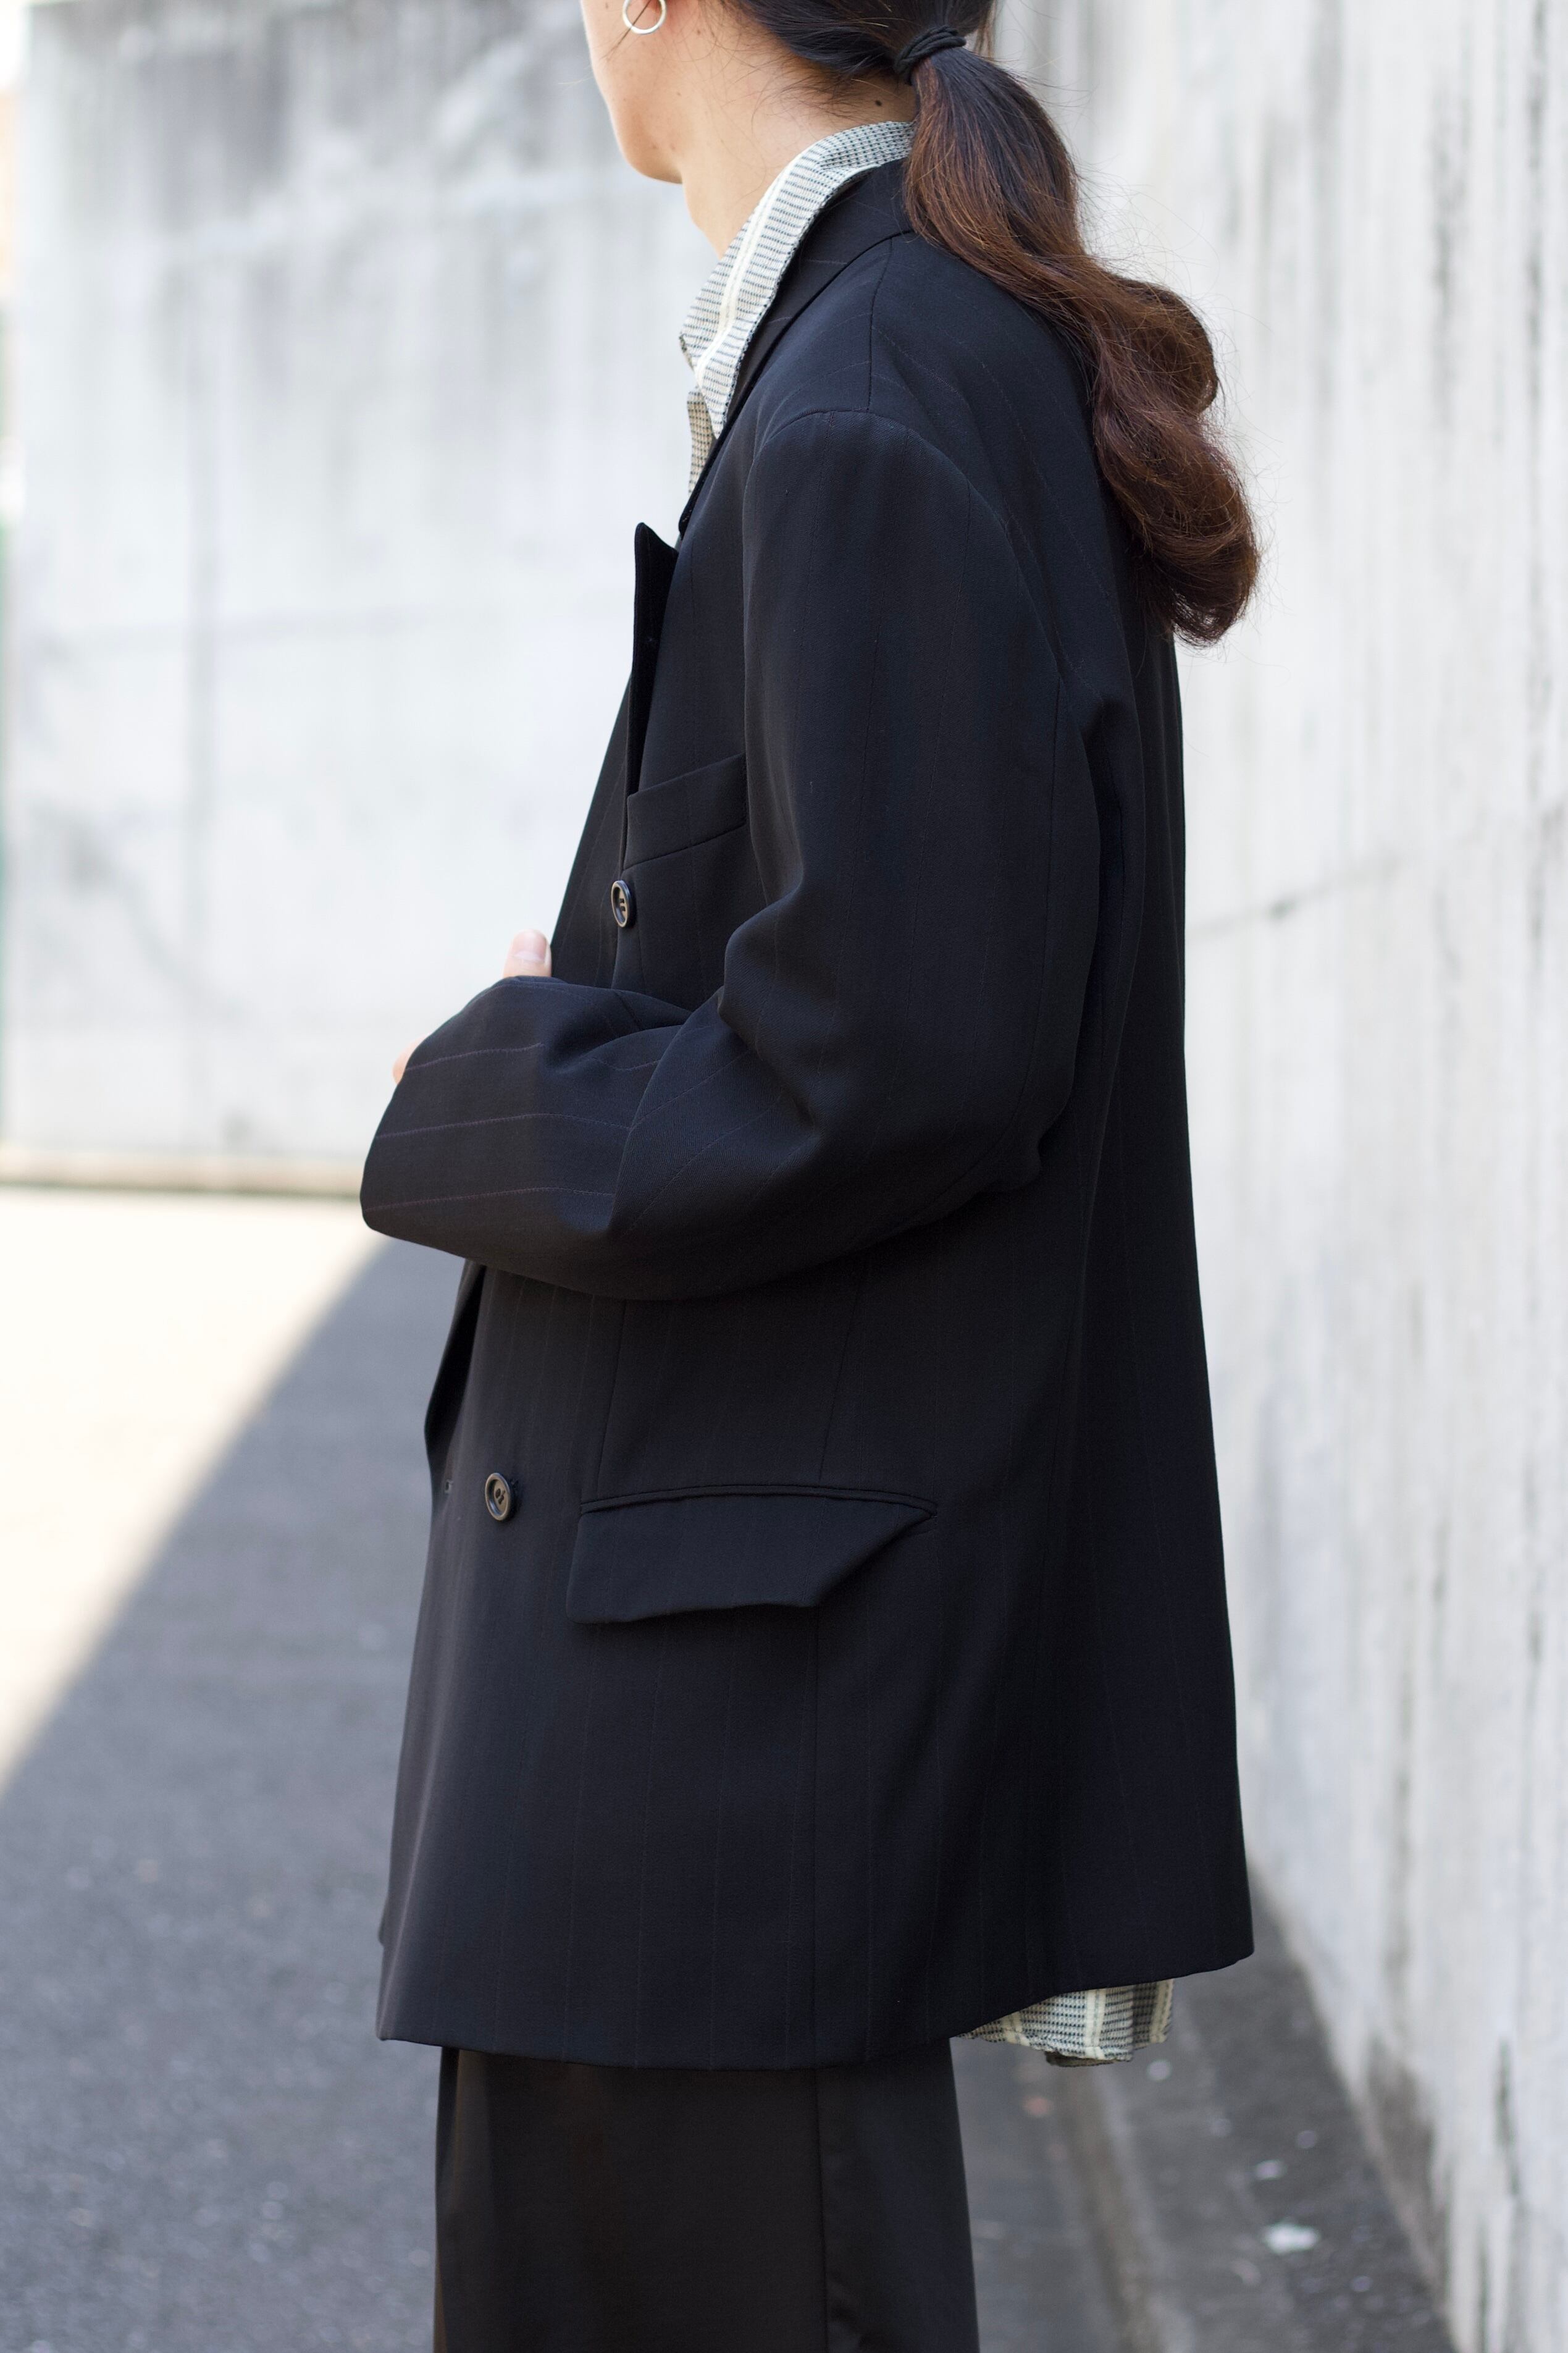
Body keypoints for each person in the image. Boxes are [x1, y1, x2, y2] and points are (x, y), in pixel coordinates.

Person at [362, 0, 1260, 2339]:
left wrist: (493, 1081)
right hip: (720, 1728)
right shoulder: (895, 358)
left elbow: (892, 1050)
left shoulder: (872, 393)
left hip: (716, 1756)